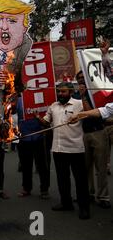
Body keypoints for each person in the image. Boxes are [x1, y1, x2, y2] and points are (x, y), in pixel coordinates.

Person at [37, 82, 90, 220]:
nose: (60, 94)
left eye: (63, 92)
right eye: (59, 92)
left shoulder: (78, 104)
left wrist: (84, 96)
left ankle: (84, 208)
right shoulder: (53, 106)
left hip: (75, 149)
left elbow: (90, 114)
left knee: (80, 180)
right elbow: (46, 122)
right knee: (62, 178)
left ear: (71, 92)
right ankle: (66, 203)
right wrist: (38, 118)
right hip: (58, 148)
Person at [73, 71, 110, 209]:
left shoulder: (96, 93)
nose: (82, 80)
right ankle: (89, 193)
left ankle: (103, 196)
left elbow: (93, 115)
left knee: (101, 167)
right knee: (85, 167)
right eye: (79, 79)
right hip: (83, 134)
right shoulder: (75, 95)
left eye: (84, 78)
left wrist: (84, 97)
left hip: (98, 132)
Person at [16, 96, 51, 199]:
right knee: (26, 165)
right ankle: (26, 188)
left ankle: (44, 189)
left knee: (42, 165)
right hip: (24, 136)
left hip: (39, 136)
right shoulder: (18, 99)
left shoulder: (40, 96)